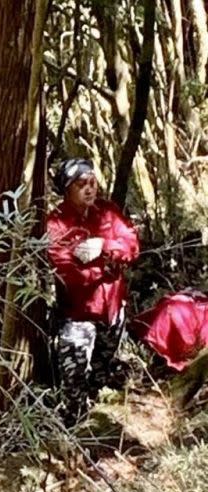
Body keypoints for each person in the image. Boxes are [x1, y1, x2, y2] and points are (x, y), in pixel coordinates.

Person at [47, 158, 140, 420]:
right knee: (74, 374)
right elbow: (67, 271)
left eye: (92, 183)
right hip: (78, 315)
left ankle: (98, 416)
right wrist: (106, 269)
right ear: (67, 189)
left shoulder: (107, 212)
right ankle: (74, 420)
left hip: (112, 310)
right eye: (81, 185)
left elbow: (131, 245)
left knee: (103, 370)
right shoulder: (56, 223)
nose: (89, 189)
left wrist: (104, 245)